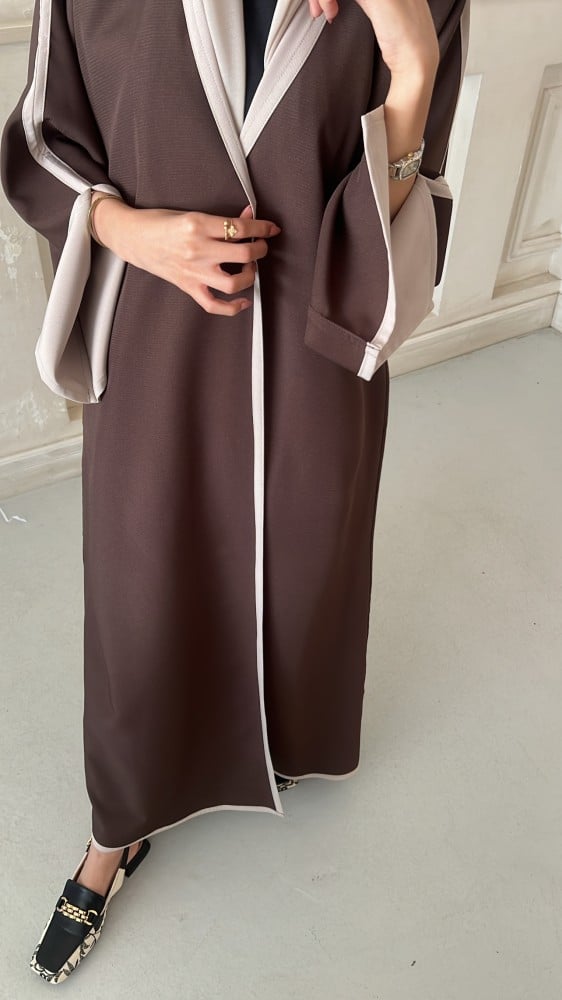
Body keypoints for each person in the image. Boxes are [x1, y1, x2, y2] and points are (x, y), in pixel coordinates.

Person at [1, 0, 469, 985]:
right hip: (155, 339)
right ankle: (118, 826)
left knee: (308, 559)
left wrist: (412, 66)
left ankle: (285, 733)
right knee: (139, 584)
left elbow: (404, 194)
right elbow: (41, 136)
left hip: (318, 341)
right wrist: (130, 232)